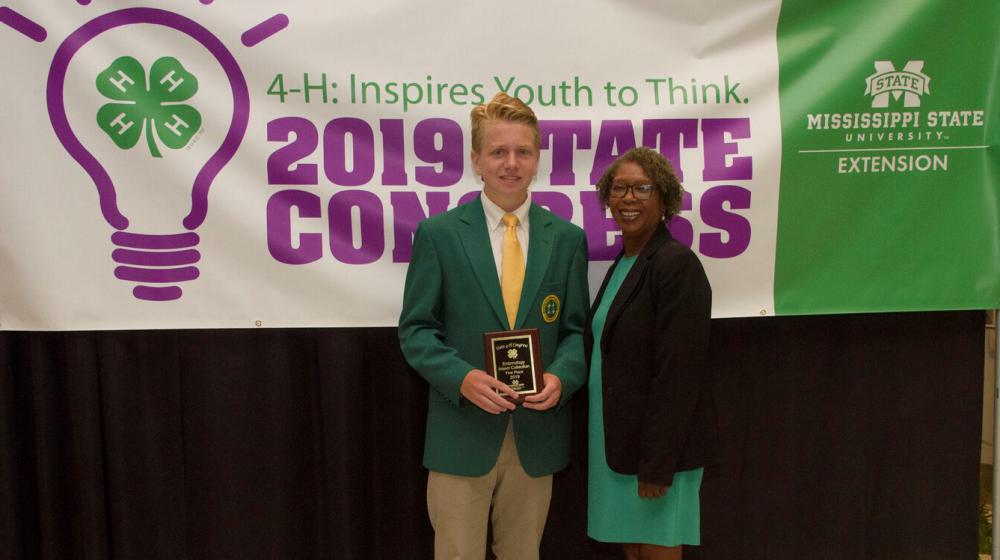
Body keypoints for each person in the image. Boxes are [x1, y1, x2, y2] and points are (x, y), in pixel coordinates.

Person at [398, 92, 589, 560]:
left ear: (537, 158)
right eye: (498, 152)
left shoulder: (566, 239)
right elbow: (416, 330)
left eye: (523, 151)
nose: (511, 163)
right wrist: (460, 378)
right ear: (476, 160)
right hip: (461, 432)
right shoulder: (438, 235)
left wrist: (561, 378)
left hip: (535, 436)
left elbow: (576, 332)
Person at [584, 147, 716, 560]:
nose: (629, 198)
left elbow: (680, 371)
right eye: (619, 188)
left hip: (657, 452)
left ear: (664, 199)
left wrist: (658, 462)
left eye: (643, 188)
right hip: (619, 446)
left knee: (656, 548)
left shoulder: (676, 264)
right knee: (635, 548)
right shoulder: (624, 263)